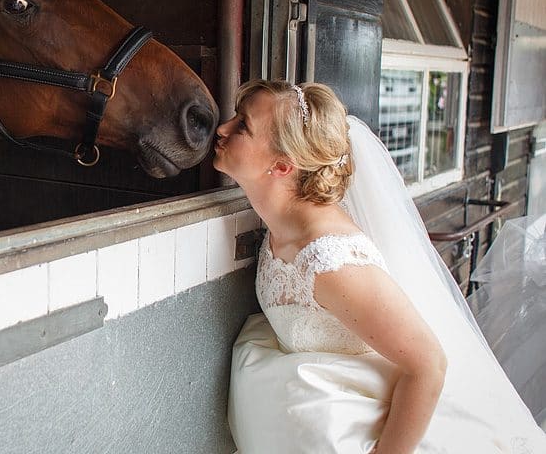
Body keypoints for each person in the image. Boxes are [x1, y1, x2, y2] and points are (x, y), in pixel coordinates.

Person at [215, 79, 546, 453]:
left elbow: (429, 364)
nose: (223, 128)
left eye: (243, 125)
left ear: (282, 166)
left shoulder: (332, 262)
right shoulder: (283, 226)